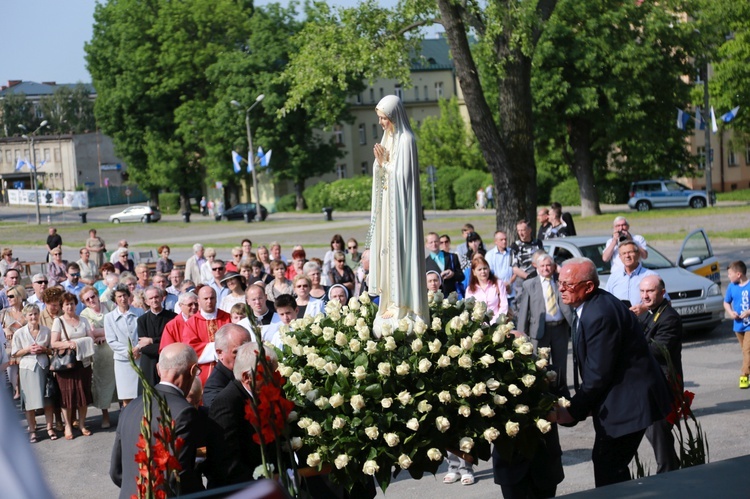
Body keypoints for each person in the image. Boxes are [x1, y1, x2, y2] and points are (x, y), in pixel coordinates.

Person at [555, 257, 670, 487]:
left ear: (588, 287)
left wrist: (574, 410)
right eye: (559, 282)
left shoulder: (599, 314)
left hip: (628, 403)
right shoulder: (591, 305)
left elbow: (598, 373)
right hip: (620, 400)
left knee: (609, 467)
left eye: (568, 284)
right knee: (609, 466)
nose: (561, 289)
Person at [110, 343, 205, 498]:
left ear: (158, 369)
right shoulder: (184, 412)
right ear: (193, 370)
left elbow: (116, 471)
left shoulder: (130, 406)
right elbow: (180, 477)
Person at [370, 94, 429, 326]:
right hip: (387, 211)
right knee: (386, 252)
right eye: (380, 118)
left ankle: (403, 305)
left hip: (402, 214)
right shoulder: (388, 139)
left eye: (383, 118)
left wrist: (385, 164)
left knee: (400, 254)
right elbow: (381, 173)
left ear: (394, 116)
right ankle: (390, 302)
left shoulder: (406, 141)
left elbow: (403, 179)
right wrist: (380, 165)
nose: (381, 123)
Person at [206, 342, 276, 488]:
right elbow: (226, 463)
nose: (274, 378)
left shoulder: (265, 395)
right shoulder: (227, 403)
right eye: (267, 373)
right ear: (247, 377)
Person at [638, 275, 683, 473]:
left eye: (650, 291)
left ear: (662, 292)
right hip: (651, 383)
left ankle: (667, 472)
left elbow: (659, 349)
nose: (645, 296)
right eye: (642, 291)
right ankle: (671, 466)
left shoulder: (669, 317)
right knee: (656, 432)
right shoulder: (649, 313)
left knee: (658, 430)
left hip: (664, 385)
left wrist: (632, 343)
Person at [516, 253, 574, 394]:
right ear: (537, 267)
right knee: (541, 364)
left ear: (554, 267)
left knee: (560, 364)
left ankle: (561, 393)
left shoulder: (561, 282)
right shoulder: (530, 284)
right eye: (542, 266)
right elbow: (524, 310)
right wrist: (521, 332)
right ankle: (543, 394)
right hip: (539, 330)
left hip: (560, 328)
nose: (546, 268)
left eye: (549, 265)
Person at [51, 293, 96, 440]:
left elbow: (91, 338)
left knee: (83, 394)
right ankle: (68, 426)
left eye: (72, 303)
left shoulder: (83, 320)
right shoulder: (58, 321)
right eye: (66, 304)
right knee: (67, 396)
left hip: (83, 362)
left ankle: (82, 424)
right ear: (62, 307)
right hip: (66, 364)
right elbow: (54, 343)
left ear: (76, 304)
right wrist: (69, 344)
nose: (70, 306)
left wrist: (80, 343)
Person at [12, 304, 55, 443]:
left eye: (35, 313)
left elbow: (51, 350)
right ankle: (32, 430)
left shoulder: (46, 331)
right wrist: (27, 349)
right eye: (30, 314)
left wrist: (43, 349)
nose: (33, 317)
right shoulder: (19, 333)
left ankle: (49, 428)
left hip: (43, 367)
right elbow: (15, 353)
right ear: (25, 316)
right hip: (27, 368)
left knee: (47, 399)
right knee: (29, 403)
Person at [79, 285, 117, 429]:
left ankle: (125, 412)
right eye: (87, 299)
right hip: (100, 354)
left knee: (120, 382)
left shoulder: (110, 305)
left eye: (92, 296)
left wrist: (105, 335)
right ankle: (105, 415)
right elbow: (92, 334)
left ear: (97, 295)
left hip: (116, 349)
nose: (91, 300)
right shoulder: (84, 314)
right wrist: (110, 332)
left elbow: (119, 325)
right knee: (102, 385)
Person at [104, 283, 144, 407]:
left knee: (142, 394)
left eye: (125, 295)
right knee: (126, 395)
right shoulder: (109, 317)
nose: (123, 299)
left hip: (140, 358)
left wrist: (138, 349)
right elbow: (111, 340)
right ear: (115, 299)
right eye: (119, 296)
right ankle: (128, 422)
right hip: (123, 361)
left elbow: (143, 333)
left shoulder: (140, 312)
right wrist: (129, 352)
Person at [182, 286, 231, 386]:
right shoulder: (191, 323)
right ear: (199, 301)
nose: (209, 301)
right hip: (202, 372)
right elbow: (190, 347)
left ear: (216, 299)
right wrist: (217, 348)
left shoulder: (227, 318)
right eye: (205, 298)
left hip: (227, 371)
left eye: (212, 298)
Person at [202, 324, 252, 408]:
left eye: (248, 349)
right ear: (220, 353)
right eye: (236, 352)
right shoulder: (214, 388)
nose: (245, 356)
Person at [136, 287, 177, 388]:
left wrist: (151, 340)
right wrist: (164, 345)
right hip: (149, 363)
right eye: (151, 298)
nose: (154, 300)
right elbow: (144, 347)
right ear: (146, 301)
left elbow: (174, 342)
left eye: (156, 297)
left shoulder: (173, 318)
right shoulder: (142, 320)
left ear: (162, 298)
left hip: (169, 362)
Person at [605, 241, 658, 315]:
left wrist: (645, 308)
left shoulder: (651, 276)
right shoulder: (613, 277)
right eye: (624, 253)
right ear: (620, 257)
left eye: (630, 252)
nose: (627, 256)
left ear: (638, 254)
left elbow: (665, 302)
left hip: (644, 322)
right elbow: (607, 301)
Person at [724, 260, 750, 389]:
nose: (728, 276)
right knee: (745, 352)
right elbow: (726, 302)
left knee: (747, 351)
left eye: (730, 274)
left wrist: (748, 312)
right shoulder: (731, 287)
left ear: (738, 274)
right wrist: (730, 312)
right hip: (738, 325)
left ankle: (744, 376)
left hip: (749, 325)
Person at [465, 255, 508, 324]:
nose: (483, 272)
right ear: (474, 272)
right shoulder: (469, 289)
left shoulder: (498, 284)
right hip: (478, 326)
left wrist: (494, 322)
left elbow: (504, 305)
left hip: (497, 324)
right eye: (479, 269)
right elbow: (468, 309)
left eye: (485, 268)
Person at [510, 219, 544, 307]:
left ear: (529, 230)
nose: (521, 233)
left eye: (523, 230)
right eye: (518, 230)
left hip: (538, 277)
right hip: (522, 280)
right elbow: (514, 268)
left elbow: (543, 259)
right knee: (521, 305)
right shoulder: (515, 246)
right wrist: (528, 277)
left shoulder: (538, 243)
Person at [2, 283, 27, 399]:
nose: (8, 299)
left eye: (11, 296)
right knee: (12, 377)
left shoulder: (28, 312)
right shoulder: (4, 313)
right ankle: (17, 390)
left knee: (25, 377)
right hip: (9, 350)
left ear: (20, 296)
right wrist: (4, 329)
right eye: (8, 296)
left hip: (25, 348)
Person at [425, 232, 462, 297]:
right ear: (426, 245)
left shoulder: (452, 257)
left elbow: (461, 276)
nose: (434, 244)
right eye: (431, 242)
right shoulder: (425, 263)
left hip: (452, 297)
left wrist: (453, 274)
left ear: (439, 242)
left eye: (435, 241)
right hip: (436, 299)